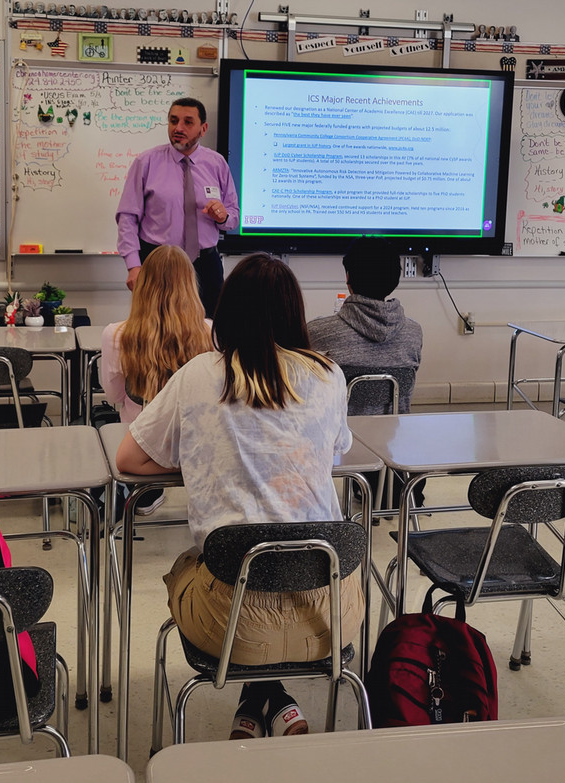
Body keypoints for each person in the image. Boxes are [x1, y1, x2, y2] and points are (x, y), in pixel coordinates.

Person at [116, 253, 363, 739]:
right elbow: (335, 451)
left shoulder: (198, 374)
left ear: (227, 310)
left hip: (230, 627)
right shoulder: (328, 375)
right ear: (295, 312)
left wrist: (203, 454)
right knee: (263, 556)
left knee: (195, 563)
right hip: (331, 614)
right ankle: (273, 702)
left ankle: (258, 701)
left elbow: (128, 460)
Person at [307, 235, 423, 504]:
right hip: (394, 442)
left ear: (348, 278)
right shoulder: (413, 333)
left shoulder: (318, 332)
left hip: (337, 442)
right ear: (395, 279)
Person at [102, 245, 212, 514]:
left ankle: (145, 495)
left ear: (143, 284)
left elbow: (114, 395)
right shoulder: (211, 331)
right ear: (190, 284)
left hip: (139, 448)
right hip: (195, 445)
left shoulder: (115, 335)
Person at [115, 97, 239, 317]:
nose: (178, 128)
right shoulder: (146, 162)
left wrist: (221, 216)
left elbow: (233, 217)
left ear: (203, 128)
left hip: (205, 264)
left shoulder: (217, 163)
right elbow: (127, 217)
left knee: (208, 331)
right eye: (173, 121)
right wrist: (133, 265)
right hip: (158, 262)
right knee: (156, 334)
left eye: (188, 122)